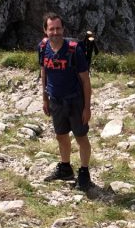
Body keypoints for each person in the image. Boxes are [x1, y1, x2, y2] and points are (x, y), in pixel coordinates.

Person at [38, 12, 93, 191]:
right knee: (61, 135)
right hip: (55, 100)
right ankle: (65, 167)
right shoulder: (43, 47)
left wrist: (87, 108)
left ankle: (84, 172)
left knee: (80, 137)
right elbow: (44, 72)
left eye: (58, 28)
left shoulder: (74, 49)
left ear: (63, 29)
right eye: (51, 29)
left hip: (75, 100)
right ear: (45, 30)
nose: (55, 32)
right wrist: (45, 98)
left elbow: (85, 80)